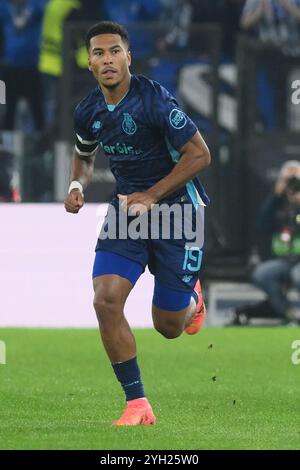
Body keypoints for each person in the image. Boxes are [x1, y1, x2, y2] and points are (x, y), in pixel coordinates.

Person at [64, 21, 211, 426]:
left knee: (167, 327)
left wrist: (153, 194)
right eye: (98, 53)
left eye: (114, 51)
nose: (107, 59)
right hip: (128, 211)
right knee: (105, 299)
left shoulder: (155, 101)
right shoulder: (88, 110)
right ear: (90, 63)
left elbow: (200, 155)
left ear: (129, 57)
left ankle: (192, 300)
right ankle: (137, 405)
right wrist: (77, 183)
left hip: (179, 212)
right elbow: (84, 154)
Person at [232, 160, 300, 325]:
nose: (292, 184)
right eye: (288, 179)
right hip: (284, 260)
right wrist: (277, 194)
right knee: (262, 273)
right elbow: (262, 224)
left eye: (295, 179)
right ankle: (287, 314)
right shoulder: (277, 202)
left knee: (298, 276)